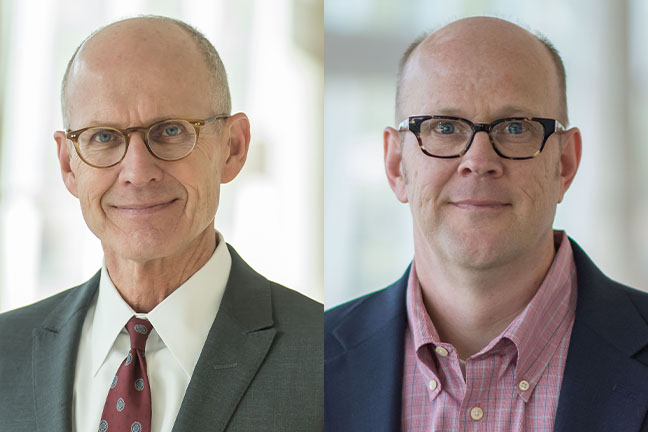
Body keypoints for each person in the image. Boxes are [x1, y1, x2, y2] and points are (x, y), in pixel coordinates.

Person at [324, 17, 648, 431]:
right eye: (444, 127)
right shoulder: (308, 360)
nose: (478, 161)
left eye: (516, 127)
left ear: (564, 164)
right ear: (395, 165)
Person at [0, 16, 322, 431]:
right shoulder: (6, 352)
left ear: (233, 147)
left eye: (170, 131)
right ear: (68, 164)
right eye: (103, 136)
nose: (137, 171)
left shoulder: (323, 355)